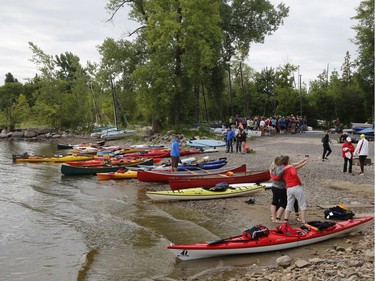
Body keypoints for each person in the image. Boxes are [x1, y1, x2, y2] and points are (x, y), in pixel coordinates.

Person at [269, 156, 306, 223]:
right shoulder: (283, 168)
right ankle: (278, 218)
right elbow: (278, 176)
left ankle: (275, 218)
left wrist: (304, 160)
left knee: (274, 202)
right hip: (282, 187)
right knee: (285, 203)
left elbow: (296, 165)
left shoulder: (273, 166)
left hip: (274, 186)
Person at [279, 155, 309, 224]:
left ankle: (286, 220)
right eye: (290, 159)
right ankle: (303, 221)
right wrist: (299, 181)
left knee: (289, 204)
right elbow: (294, 173)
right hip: (296, 187)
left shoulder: (282, 167)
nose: (291, 159)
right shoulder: (291, 167)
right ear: (288, 161)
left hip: (289, 188)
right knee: (302, 203)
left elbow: (298, 165)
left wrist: (305, 160)